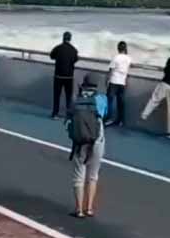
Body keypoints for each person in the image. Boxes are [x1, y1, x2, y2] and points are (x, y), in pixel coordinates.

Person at [66, 74, 108, 218]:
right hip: (97, 139)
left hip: (80, 142)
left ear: (83, 84)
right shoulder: (102, 99)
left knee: (79, 174)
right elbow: (105, 115)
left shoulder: (76, 100)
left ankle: (79, 210)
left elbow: (69, 118)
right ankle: (89, 208)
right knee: (93, 175)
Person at [49, 31, 79, 119]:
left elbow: (51, 56)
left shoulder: (58, 48)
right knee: (68, 96)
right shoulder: (74, 50)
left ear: (63, 38)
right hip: (69, 76)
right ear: (70, 39)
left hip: (58, 75)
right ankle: (68, 114)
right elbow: (75, 59)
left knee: (57, 95)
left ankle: (55, 113)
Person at [105, 41, 131, 127]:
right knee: (121, 102)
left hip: (114, 81)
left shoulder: (115, 57)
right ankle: (121, 120)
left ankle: (109, 119)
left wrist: (106, 80)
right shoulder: (128, 58)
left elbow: (111, 70)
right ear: (125, 48)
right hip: (122, 82)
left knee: (110, 101)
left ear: (118, 48)